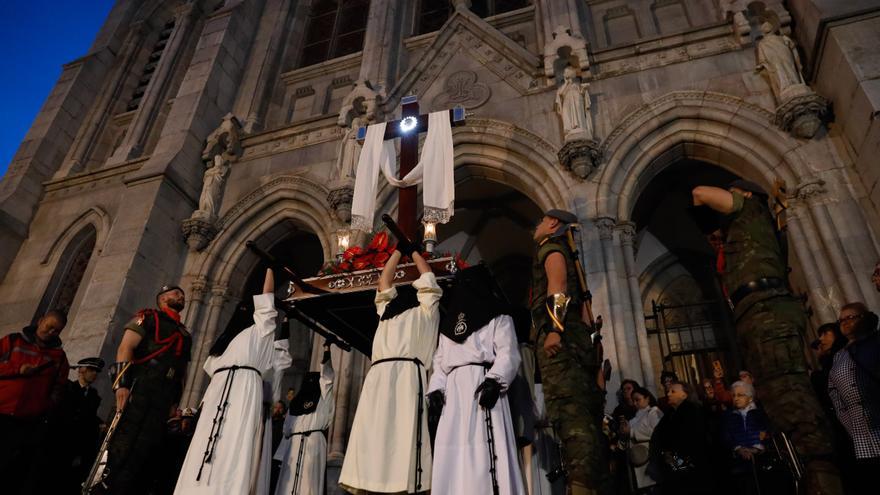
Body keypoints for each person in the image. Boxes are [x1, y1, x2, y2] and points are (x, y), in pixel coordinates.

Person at [691, 180, 842, 494]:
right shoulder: (740, 232)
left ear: (745, 194)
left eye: (734, 191)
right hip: (755, 313)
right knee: (776, 396)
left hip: (767, 310)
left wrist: (713, 207)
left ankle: (824, 474)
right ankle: (811, 472)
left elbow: (700, 193)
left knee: (790, 392)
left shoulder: (750, 209)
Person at [340, 248, 441, 494]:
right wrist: (407, 251)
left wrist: (402, 252)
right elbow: (415, 279)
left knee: (400, 434)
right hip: (382, 377)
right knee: (376, 434)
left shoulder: (418, 312)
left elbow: (388, 280)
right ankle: (373, 483)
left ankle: (398, 485)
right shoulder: (397, 313)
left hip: (405, 377)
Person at [174, 268, 278, 494]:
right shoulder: (224, 345)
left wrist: (270, 269)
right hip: (220, 393)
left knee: (234, 441)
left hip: (240, 389)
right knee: (206, 442)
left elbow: (267, 301)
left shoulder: (254, 333)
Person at [530, 209, 610, 495]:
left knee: (570, 416)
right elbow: (587, 313)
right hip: (577, 342)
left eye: (541, 220)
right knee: (585, 417)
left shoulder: (551, 247)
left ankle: (581, 488)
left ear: (552, 223)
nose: (537, 226)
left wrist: (554, 329)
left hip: (561, 342)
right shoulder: (568, 251)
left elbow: (558, 286)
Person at [427, 264, 525, 494]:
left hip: (482, 386)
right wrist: (436, 391)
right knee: (452, 451)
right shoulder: (448, 326)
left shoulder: (498, 316)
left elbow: (508, 352)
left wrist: (494, 380)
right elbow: (439, 363)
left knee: (484, 448)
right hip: (453, 395)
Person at [0, 309, 70, 495]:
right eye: (49, 327)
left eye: (56, 330)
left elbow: (58, 388)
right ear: (40, 321)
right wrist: (17, 369)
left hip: (25, 422)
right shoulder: (12, 341)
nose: (51, 332)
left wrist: (43, 407)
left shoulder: (59, 358)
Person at [828, 302, 880, 494]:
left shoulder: (875, 342)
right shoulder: (838, 356)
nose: (845, 322)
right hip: (858, 426)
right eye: (841, 320)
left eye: (851, 317)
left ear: (863, 318)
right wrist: (849, 423)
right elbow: (834, 393)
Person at [273, 344, 334, 495]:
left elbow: (327, 378)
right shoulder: (295, 404)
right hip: (294, 445)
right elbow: (286, 430)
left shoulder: (322, 397)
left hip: (313, 443)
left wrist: (326, 353)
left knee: (309, 484)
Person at [650, 382, 710, 495]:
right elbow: (660, 436)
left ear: (684, 395)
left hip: (691, 465)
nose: (668, 393)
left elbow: (692, 438)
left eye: (673, 391)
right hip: (673, 463)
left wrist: (676, 458)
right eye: (669, 391)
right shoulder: (669, 414)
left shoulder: (693, 411)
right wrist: (665, 453)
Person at [57, 357, 105, 493]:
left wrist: (100, 424)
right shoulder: (67, 389)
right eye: (91, 369)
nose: (95, 374)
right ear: (81, 370)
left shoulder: (94, 396)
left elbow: (89, 419)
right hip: (61, 441)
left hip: (80, 446)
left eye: (97, 371)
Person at [619, 386, 662, 494]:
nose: (635, 403)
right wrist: (624, 433)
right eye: (633, 401)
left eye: (638, 400)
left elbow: (657, 432)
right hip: (636, 460)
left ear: (647, 398)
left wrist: (632, 432)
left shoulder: (653, 412)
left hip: (649, 457)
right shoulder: (634, 419)